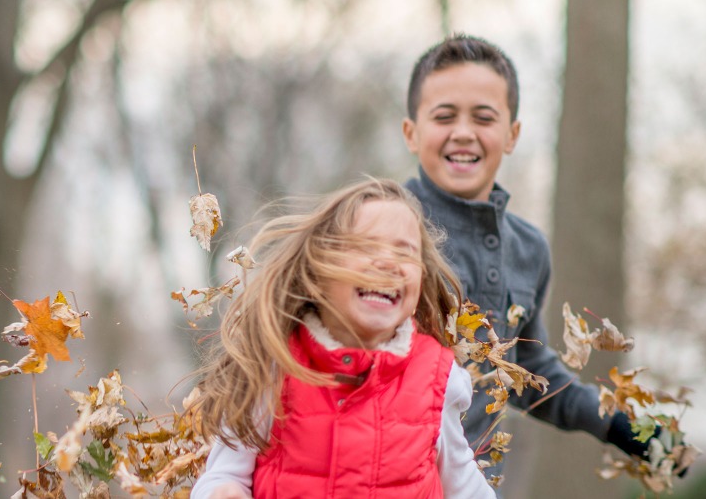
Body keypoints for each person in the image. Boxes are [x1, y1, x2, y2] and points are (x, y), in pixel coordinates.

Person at [399, 34, 655, 481]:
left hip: (476, 484)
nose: (463, 132)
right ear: (411, 132)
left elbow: (526, 369)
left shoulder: (527, 249)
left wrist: (612, 421)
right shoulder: (381, 224)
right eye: (444, 116)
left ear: (512, 134)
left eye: (484, 117)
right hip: (381, 477)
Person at [190, 179, 494, 498]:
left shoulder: (437, 379)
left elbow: (464, 486)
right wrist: (225, 492)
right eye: (365, 247)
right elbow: (223, 475)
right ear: (318, 272)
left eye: (405, 253)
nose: (388, 263)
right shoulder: (274, 364)